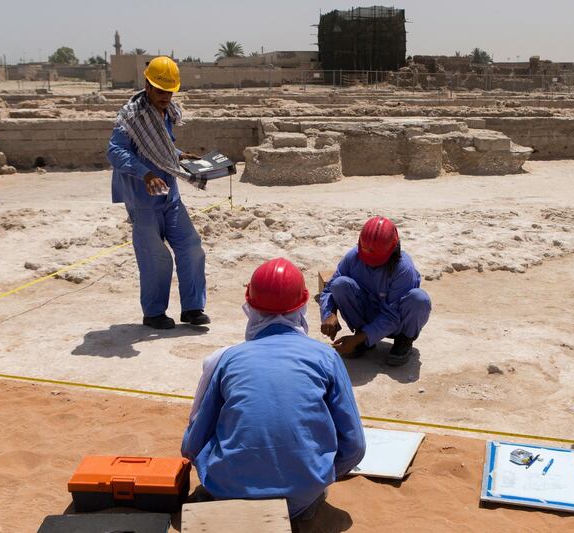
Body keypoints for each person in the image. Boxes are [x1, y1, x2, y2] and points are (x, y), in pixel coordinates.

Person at [181, 258, 366, 520]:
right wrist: (319, 474)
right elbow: (355, 446)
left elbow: (192, 444)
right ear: (301, 306)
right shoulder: (326, 357)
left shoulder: (228, 358)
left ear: (250, 306)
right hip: (301, 498)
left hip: (228, 491)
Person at [107, 56, 208, 329]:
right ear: (148, 86)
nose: (166, 96)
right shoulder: (131, 116)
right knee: (155, 256)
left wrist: (179, 154)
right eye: (161, 90)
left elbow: (158, 148)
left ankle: (192, 308)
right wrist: (146, 174)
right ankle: (153, 313)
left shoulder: (167, 113)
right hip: (143, 198)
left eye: (170, 91)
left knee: (190, 246)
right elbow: (115, 151)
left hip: (169, 194)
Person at [319, 216, 432, 367]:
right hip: (367, 317)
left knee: (419, 299)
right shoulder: (353, 257)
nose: (369, 263)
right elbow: (329, 289)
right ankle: (364, 340)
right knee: (340, 284)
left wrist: (356, 339)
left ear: (392, 250)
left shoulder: (404, 269)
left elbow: (392, 317)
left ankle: (404, 341)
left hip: (397, 322)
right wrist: (329, 313)